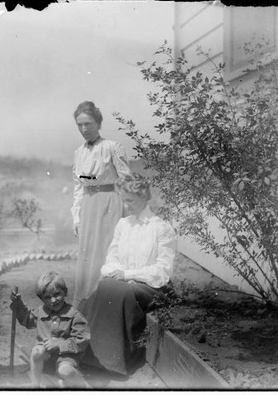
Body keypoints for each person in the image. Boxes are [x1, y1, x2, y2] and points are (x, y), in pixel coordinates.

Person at [80, 173, 176, 376]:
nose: (126, 205)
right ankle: (92, 357)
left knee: (119, 290)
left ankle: (115, 363)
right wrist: (115, 272)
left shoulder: (160, 228)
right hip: (125, 283)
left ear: (144, 196)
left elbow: (162, 272)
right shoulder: (123, 225)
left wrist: (127, 274)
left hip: (153, 288)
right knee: (106, 286)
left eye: (130, 200)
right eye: (123, 200)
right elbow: (110, 260)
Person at [71, 101, 132, 307]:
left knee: (106, 252)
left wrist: (129, 215)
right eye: (79, 125)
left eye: (88, 123)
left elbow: (127, 181)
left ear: (98, 123)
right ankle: (86, 303)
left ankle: (105, 303)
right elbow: (79, 186)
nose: (84, 129)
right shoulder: (79, 152)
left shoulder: (112, 147)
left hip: (110, 204)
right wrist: (76, 216)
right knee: (87, 254)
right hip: (88, 205)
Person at [10, 272, 90, 388]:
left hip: (66, 358)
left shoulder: (75, 315)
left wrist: (60, 344)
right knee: (37, 351)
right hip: (46, 357)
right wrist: (17, 302)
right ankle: (35, 386)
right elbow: (27, 319)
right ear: (41, 298)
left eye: (57, 294)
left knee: (65, 371)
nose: (53, 300)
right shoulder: (41, 311)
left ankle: (81, 384)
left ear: (65, 292)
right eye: (47, 297)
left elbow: (82, 340)